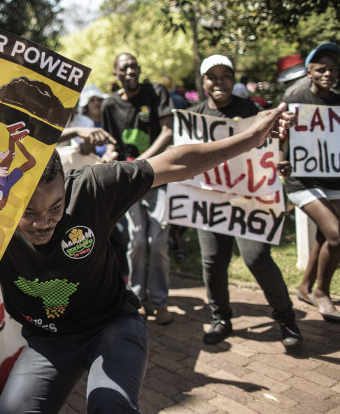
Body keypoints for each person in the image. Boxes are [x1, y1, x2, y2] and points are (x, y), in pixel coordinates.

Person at [0, 93, 295, 412]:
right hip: (48, 342)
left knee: (111, 408)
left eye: (54, 208)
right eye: (27, 214)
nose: (43, 223)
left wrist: (251, 137)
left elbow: (176, 162)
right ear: (3, 204)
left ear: (66, 187)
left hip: (113, 325)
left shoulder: (93, 187)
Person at [190, 55, 302, 346]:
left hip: (248, 199)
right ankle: (221, 318)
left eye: (225, 75)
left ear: (233, 79)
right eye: (211, 76)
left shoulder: (251, 110)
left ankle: (287, 319)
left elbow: (270, 143)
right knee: (213, 261)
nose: (219, 82)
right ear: (203, 82)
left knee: (256, 257)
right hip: (210, 200)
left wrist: (278, 160)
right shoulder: (193, 117)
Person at [101, 53, 175, 325]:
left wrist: (144, 163)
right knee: (138, 241)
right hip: (128, 182)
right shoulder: (110, 105)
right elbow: (111, 144)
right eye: (124, 67)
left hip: (157, 175)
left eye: (134, 65)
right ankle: (137, 299)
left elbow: (167, 133)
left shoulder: (156, 92)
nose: (131, 70)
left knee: (158, 241)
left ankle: (161, 301)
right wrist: (109, 157)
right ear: (116, 74)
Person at [283, 42, 340, 322]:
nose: (328, 73)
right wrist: (281, 157)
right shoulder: (296, 97)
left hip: (332, 178)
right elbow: (278, 134)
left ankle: (305, 287)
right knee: (336, 234)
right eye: (321, 69)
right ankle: (321, 292)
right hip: (301, 179)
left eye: (333, 69)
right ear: (309, 71)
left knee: (325, 234)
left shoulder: (338, 103)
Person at [59, 84, 111, 158]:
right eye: (92, 100)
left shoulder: (88, 123)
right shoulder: (53, 119)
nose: (96, 103)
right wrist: (76, 132)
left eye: (99, 100)